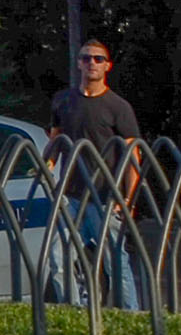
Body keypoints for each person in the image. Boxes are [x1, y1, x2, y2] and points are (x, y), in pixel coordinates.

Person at [46, 38, 143, 309]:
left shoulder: (118, 107)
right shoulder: (63, 101)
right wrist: (47, 170)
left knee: (115, 260)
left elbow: (132, 156)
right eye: (86, 58)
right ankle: (73, 314)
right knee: (59, 257)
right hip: (71, 195)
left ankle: (130, 316)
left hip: (105, 196)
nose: (92, 63)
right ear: (78, 63)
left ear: (107, 66)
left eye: (98, 59)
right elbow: (56, 140)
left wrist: (129, 199)